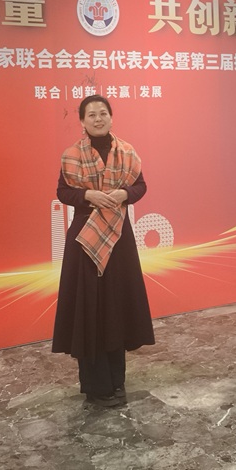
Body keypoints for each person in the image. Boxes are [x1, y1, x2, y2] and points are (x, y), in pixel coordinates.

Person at [52, 95, 155, 408]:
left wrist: (124, 193)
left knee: (116, 306)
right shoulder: (72, 155)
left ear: (111, 117)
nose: (98, 119)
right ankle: (96, 386)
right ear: (82, 121)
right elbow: (63, 192)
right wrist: (88, 196)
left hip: (119, 237)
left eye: (103, 113)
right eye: (91, 115)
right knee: (90, 309)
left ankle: (117, 382)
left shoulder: (127, 152)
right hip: (85, 238)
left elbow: (140, 186)